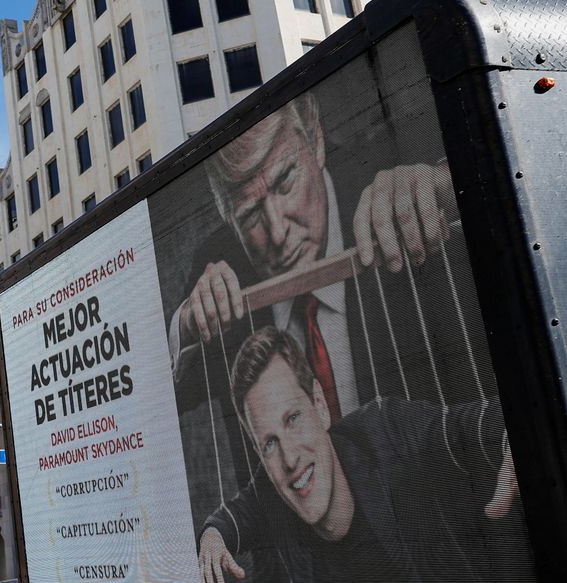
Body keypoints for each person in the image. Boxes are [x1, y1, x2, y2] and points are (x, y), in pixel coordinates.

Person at [197, 326, 554, 583]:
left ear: (320, 405)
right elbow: (237, 514)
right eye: (269, 444)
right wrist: (212, 534)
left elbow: (461, 426)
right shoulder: (271, 492)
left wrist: (513, 434)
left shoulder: (385, 432)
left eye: (293, 419)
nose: (289, 458)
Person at [167, 93, 464, 422]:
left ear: (317, 141)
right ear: (228, 218)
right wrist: (187, 324)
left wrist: (439, 188)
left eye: (285, 181)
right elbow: (156, 398)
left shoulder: (384, 164)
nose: (277, 233)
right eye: (250, 214)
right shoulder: (216, 261)